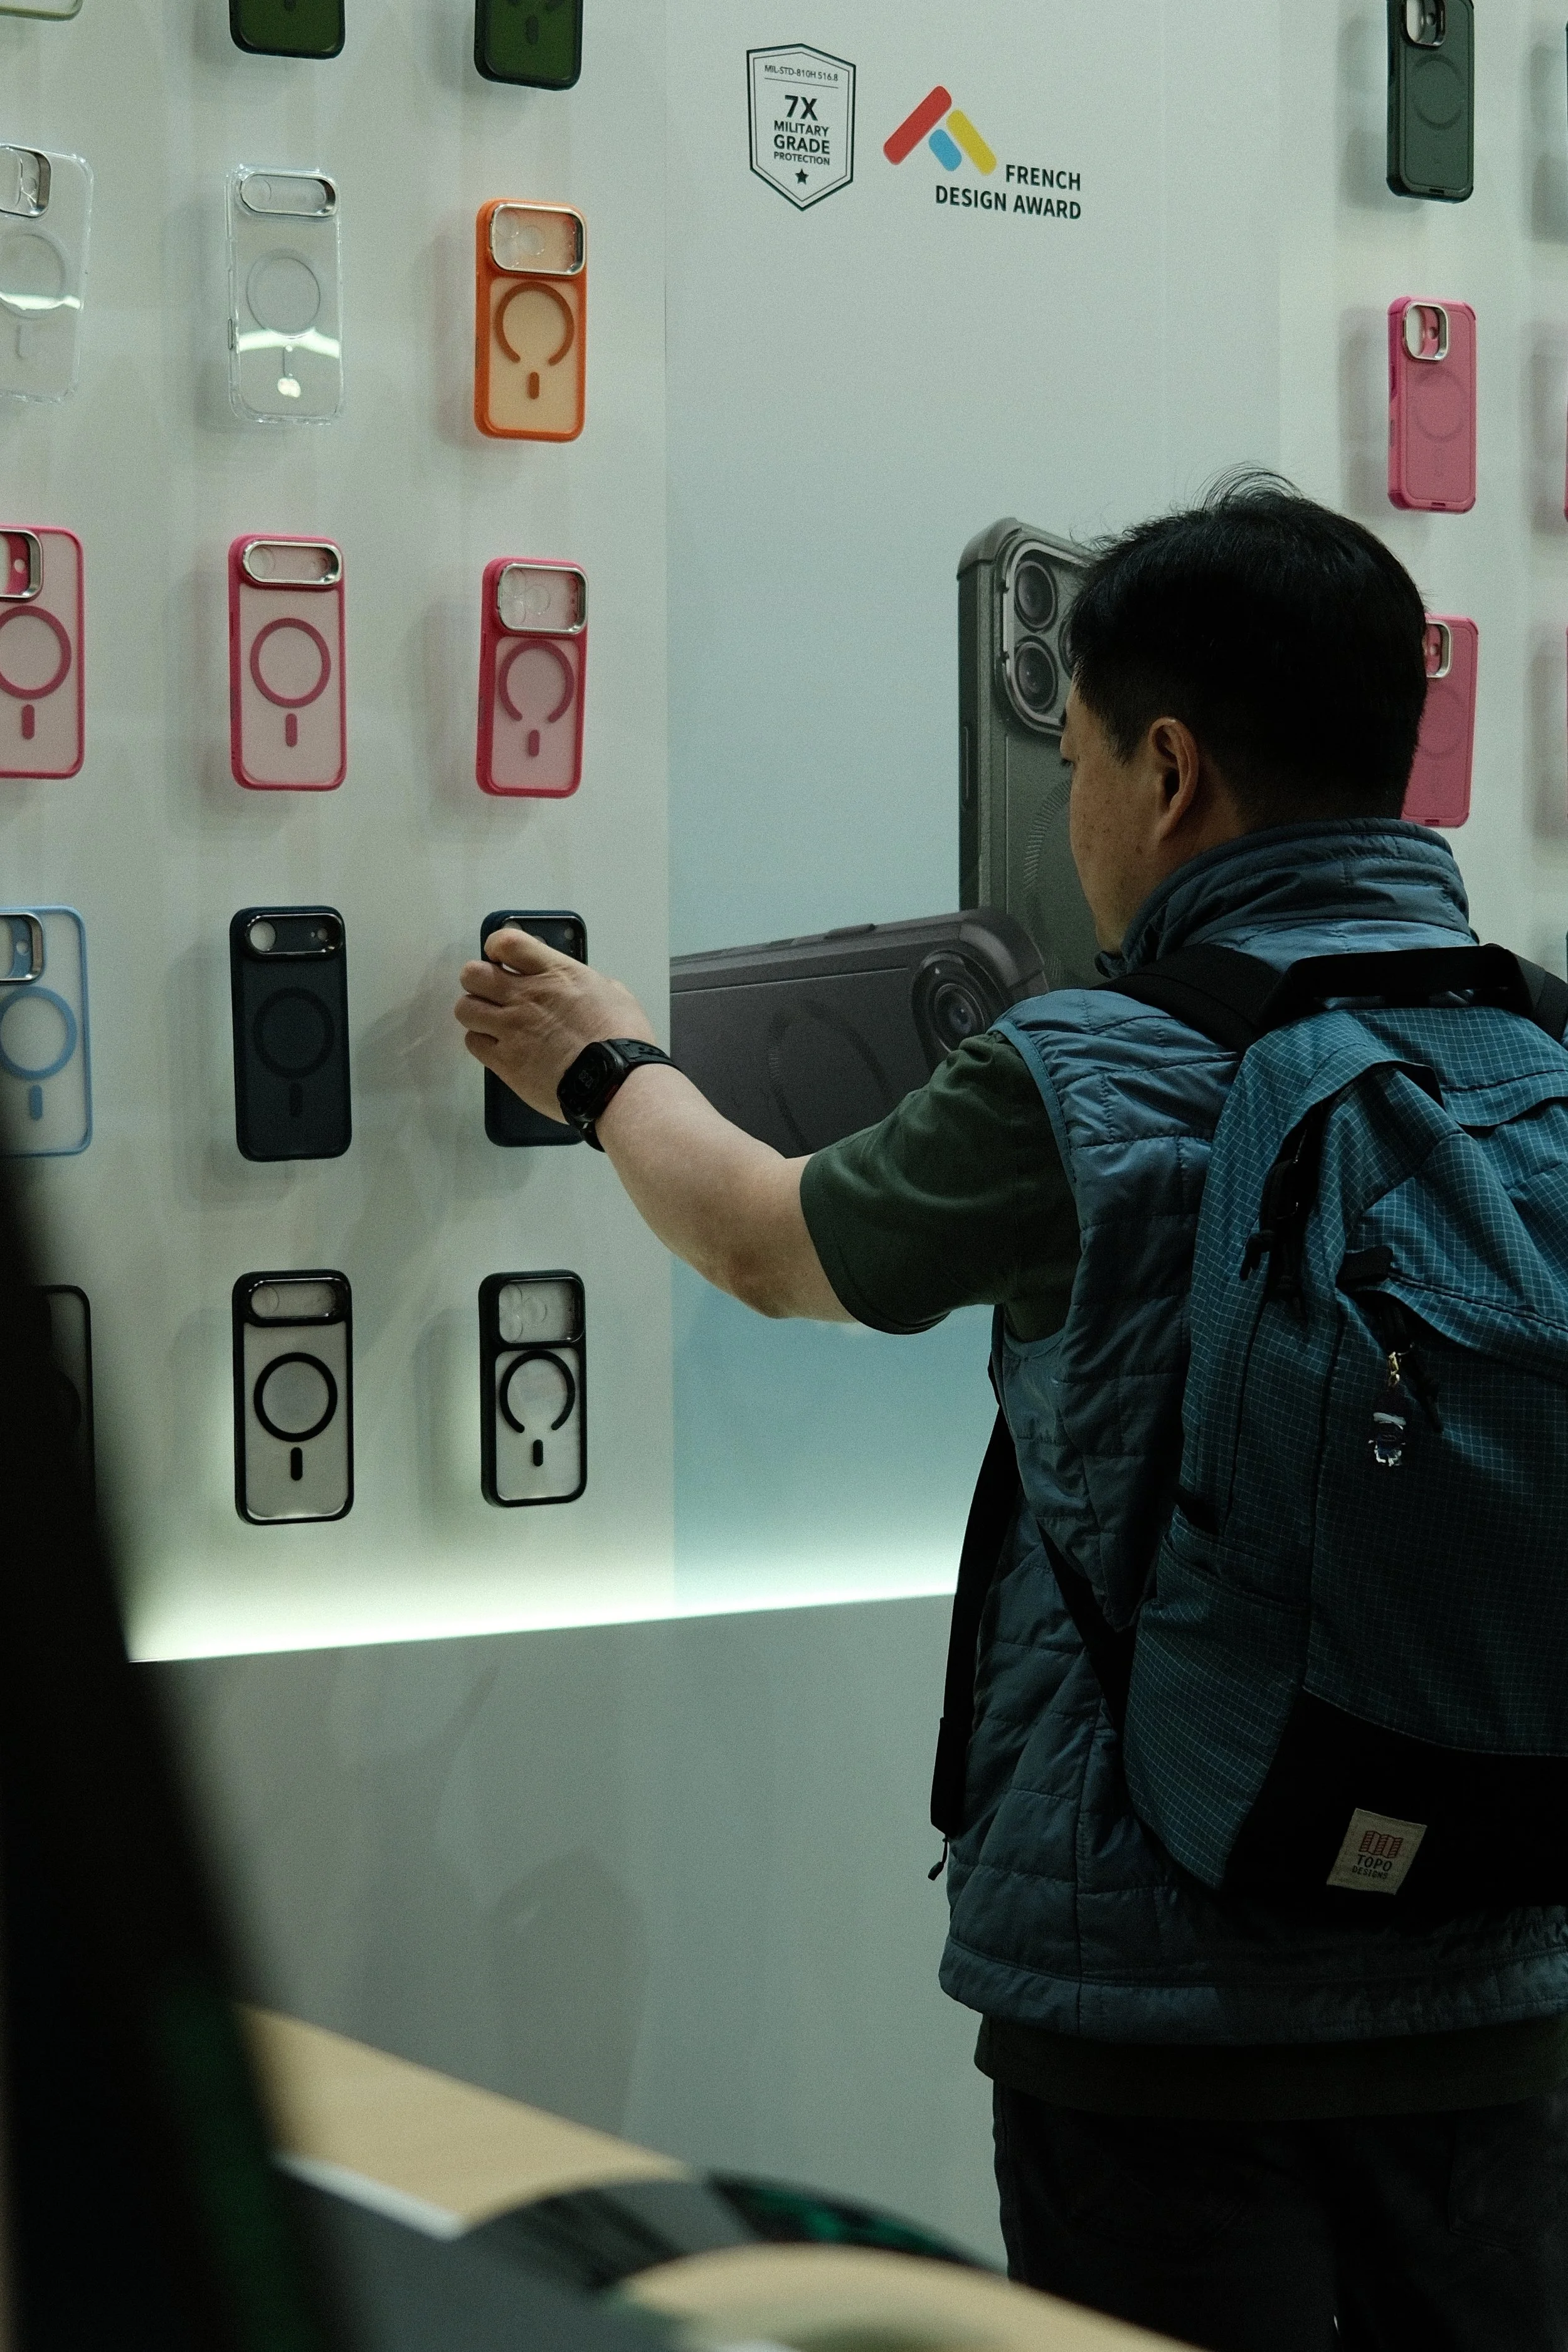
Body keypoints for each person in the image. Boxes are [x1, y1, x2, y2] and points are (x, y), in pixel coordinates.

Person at [453, 478, 1568, 2352]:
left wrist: (601, 1062)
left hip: (1165, 2007)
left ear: (1167, 769)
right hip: (1499, 1959)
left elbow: (766, 1239)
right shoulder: (1539, 1046)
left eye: (1077, 763)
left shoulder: (1087, 1070)